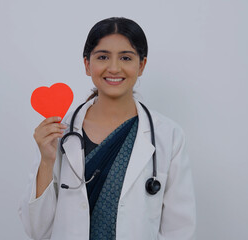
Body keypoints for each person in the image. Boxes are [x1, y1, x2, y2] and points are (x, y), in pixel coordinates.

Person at [19, 17, 196, 240]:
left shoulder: (168, 136)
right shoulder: (58, 131)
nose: (114, 68)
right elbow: (36, 230)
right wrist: (46, 161)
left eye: (126, 57)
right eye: (103, 57)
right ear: (87, 64)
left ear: (141, 65)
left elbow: (179, 230)